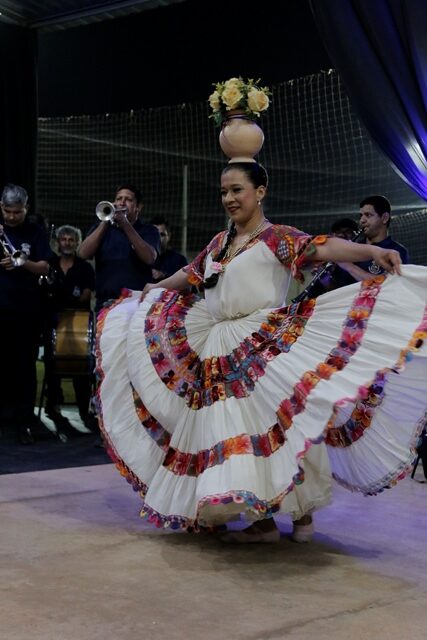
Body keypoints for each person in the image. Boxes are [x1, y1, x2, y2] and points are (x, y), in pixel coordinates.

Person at [95, 162, 427, 544]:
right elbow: (190, 274)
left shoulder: (276, 238)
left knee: (285, 425)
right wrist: (153, 291)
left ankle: (295, 517)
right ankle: (269, 520)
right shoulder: (220, 243)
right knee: (256, 430)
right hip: (221, 347)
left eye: (237, 190)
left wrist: (370, 249)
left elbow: (322, 248)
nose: (229, 199)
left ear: (260, 192)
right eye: (224, 192)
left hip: (263, 344)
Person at [0, 183, 55, 444]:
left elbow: (44, 266)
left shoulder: (35, 232)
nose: (12, 216)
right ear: (1, 207)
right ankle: (4, 420)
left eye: (17, 212)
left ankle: (25, 419)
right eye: (8, 211)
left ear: (26, 209)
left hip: (27, 310)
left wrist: (22, 262)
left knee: (25, 366)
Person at [42, 224, 96, 435]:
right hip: (53, 321)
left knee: (82, 368)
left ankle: (84, 409)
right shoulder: (49, 265)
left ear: (77, 242)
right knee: (50, 362)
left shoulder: (84, 267)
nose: (67, 243)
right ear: (57, 242)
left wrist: (67, 296)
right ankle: (53, 405)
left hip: (78, 320)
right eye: (63, 239)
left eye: (71, 240)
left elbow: (86, 295)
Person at [78, 184, 161, 312]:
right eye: (118, 199)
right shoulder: (101, 228)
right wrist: (105, 221)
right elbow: (82, 253)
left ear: (138, 207)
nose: (122, 202)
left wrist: (125, 224)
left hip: (137, 303)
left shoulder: (149, 230)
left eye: (128, 199)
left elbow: (150, 258)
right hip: (106, 303)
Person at [332, 195, 409, 288]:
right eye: (361, 216)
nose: (362, 221)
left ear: (385, 218)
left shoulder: (397, 251)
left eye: (368, 215)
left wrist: (350, 267)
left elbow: (388, 287)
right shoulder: (353, 247)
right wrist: (325, 279)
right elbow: (337, 289)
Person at [306, 217, 360, 297]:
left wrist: (325, 279)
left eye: (347, 232)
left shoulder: (358, 261)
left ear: (355, 235)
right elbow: (312, 295)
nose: (341, 235)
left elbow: (343, 296)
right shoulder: (326, 260)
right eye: (337, 232)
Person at [149, 216, 188, 282]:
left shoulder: (179, 260)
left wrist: (165, 276)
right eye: (154, 234)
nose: (158, 238)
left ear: (169, 236)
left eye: (162, 234)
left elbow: (188, 286)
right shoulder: (140, 259)